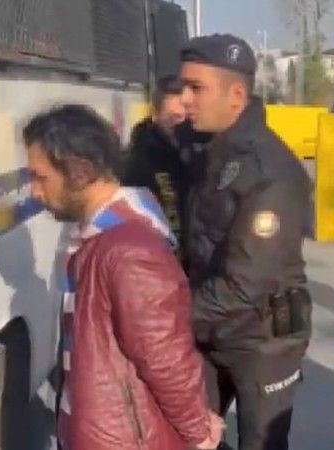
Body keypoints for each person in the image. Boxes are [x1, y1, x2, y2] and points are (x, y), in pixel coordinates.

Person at [23, 104, 223, 450]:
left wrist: (199, 432)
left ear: (80, 171)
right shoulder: (98, 237)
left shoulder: (129, 250)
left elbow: (164, 357)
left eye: (41, 178)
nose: (35, 192)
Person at [179, 34, 313, 450]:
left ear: (236, 96)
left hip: (262, 339)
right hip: (209, 327)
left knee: (261, 442)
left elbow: (245, 284)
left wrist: (167, 314)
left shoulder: (270, 172)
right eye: (183, 87)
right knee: (189, 434)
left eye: (196, 88)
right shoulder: (206, 150)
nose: (184, 100)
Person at [123, 75, 210, 269]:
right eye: (175, 118)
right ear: (155, 115)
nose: (183, 127)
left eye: (187, 118)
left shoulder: (205, 154)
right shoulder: (136, 165)